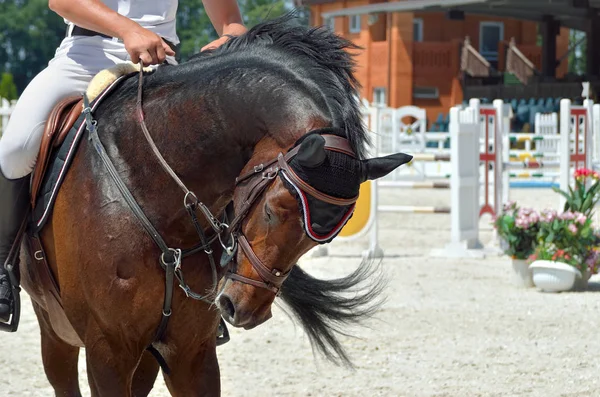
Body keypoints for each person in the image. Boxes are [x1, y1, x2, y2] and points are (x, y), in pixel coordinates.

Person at [0, 0, 247, 325]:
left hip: (161, 65)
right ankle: (4, 267)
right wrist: (128, 30)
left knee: (221, 146)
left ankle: (226, 269)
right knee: (16, 148)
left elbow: (232, 22)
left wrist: (227, 41)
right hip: (85, 57)